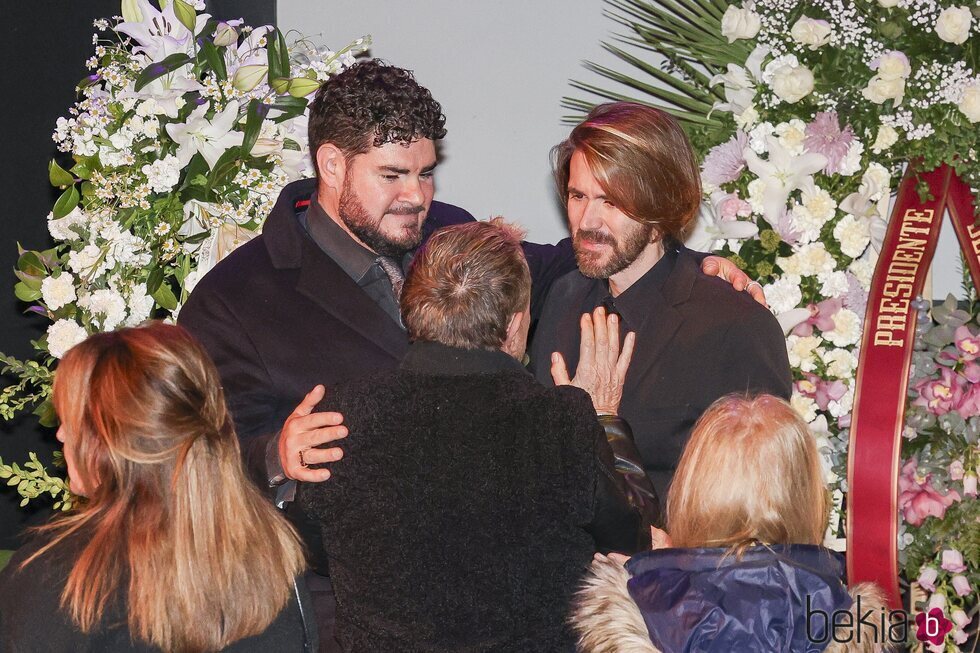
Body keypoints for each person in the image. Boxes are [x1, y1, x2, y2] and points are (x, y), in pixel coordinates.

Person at [176, 60, 757, 649]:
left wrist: (698, 270)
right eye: (394, 175)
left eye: (427, 174)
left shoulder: (445, 232)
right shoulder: (235, 300)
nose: (418, 197)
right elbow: (188, 456)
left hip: (514, 610)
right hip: (350, 618)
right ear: (330, 164)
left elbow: (568, 260)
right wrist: (272, 452)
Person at [299, 220, 644, 652]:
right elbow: (632, 541)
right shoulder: (559, 421)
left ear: (411, 310)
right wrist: (606, 418)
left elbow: (311, 547)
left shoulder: (342, 416)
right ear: (516, 322)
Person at [532, 102, 792, 501]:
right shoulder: (563, 298)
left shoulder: (734, 325)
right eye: (577, 196)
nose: (587, 221)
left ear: (660, 210)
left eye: (611, 202)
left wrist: (671, 544)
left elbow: (763, 495)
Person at [0, 323, 315, 652]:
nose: (61, 435)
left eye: (72, 421)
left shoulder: (61, 578)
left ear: (109, 444)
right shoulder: (273, 556)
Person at [572, 395, 891, 653]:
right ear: (807, 497)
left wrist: (649, 585)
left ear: (691, 493)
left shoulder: (640, 617)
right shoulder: (846, 619)